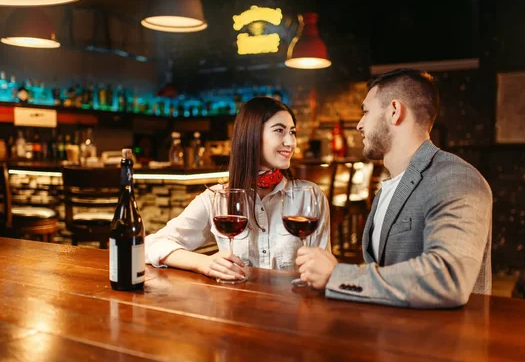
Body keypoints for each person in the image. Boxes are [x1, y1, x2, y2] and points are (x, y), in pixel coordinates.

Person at [295, 69, 492, 308]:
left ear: (395, 112)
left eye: (365, 112)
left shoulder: (455, 178)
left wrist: (337, 275)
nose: (359, 124)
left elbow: (448, 277)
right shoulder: (391, 183)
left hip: (439, 342)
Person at [145, 97, 331, 282]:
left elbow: (322, 273)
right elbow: (152, 245)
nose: (290, 142)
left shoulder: (310, 196)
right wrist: (204, 264)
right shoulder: (217, 198)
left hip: (294, 307)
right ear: (251, 136)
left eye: (292, 132)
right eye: (279, 131)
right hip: (237, 305)